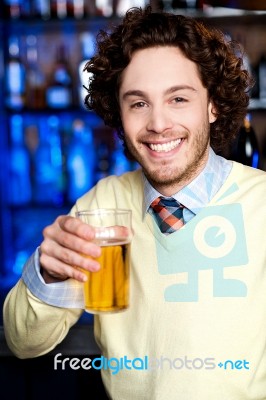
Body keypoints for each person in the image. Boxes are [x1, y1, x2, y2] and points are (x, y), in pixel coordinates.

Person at [3, 5, 266, 400]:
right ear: (119, 113)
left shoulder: (261, 200)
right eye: (138, 103)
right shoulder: (101, 204)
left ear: (212, 105)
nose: (158, 123)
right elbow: (24, 343)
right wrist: (48, 274)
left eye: (178, 98)